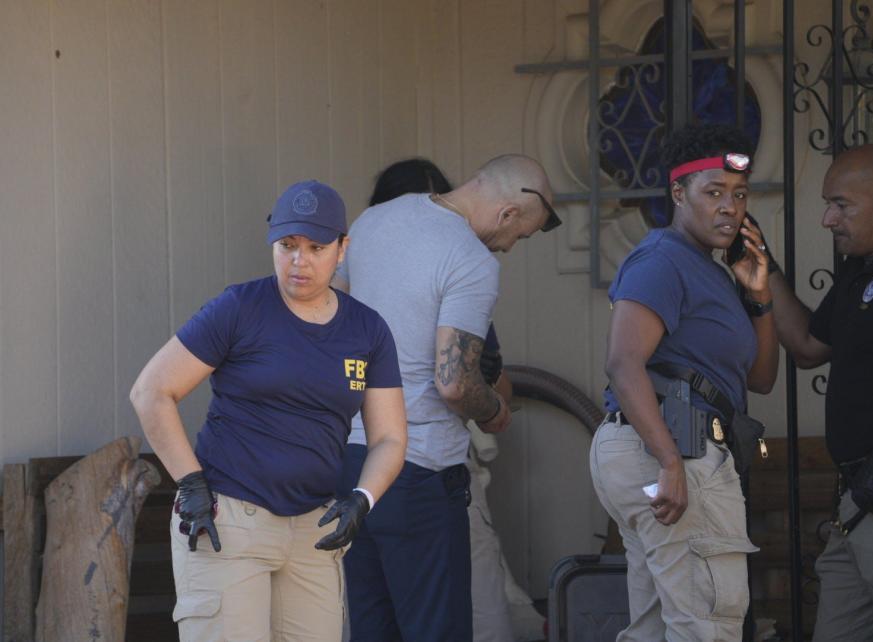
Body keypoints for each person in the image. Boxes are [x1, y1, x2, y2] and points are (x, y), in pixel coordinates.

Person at [129, 180, 408, 641]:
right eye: (287, 245)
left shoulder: (367, 330)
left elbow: (389, 438)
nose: (299, 261)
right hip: (228, 520)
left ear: (343, 249)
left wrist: (363, 499)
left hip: (314, 529)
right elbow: (151, 391)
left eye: (316, 247)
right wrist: (192, 483)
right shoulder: (241, 308)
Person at [334, 154, 561, 642]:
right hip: (420, 473)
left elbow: (328, 319)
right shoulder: (470, 258)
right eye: (518, 238)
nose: (509, 247)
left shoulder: (372, 221)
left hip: (353, 464)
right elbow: (454, 382)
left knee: (370, 629)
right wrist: (495, 410)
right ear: (508, 215)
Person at [590, 123, 779, 641]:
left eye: (739, 195)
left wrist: (758, 294)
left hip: (678, 448)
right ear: (678, 193)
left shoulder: (711, 271)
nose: (730, 208)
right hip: (674, 448)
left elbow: (761, 378)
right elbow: (623, 363)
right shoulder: (663, 259)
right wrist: (669, 460)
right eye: (713, 192)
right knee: (706, 625)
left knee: (661, 629)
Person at [761, 144, 873, 641]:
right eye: (828, 203)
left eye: (842, 204)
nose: (827, 218)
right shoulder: (858, 272)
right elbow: (805, 347)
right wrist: (763, 267)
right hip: (854, 501)